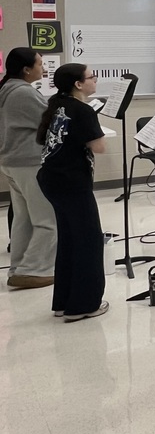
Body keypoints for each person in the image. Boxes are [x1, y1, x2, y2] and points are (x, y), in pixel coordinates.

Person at [35, 64, 107, 322]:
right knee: (89, 241)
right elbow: (99, 147)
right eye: (90, 76)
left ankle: (64, 302)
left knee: (69, 239)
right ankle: (83, 305)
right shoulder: (83, 109)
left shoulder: (58, 104)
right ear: (78, 84)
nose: (94, 79)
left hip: (51, 179)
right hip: (70, 181)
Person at [0, 49, 56, 289]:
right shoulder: (23, 92)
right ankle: (35, 269)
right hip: (29, 162)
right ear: (26, 69)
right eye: (40, 64)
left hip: (12, 162)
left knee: (23, 218)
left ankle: (19, 267)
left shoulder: (6, 88)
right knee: (47, 218)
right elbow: (50, 122)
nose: (43, 69)